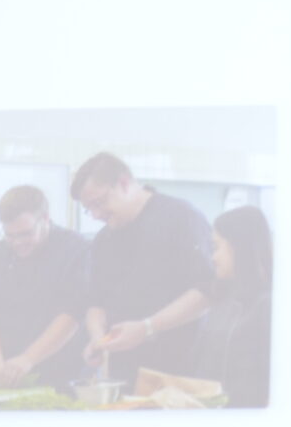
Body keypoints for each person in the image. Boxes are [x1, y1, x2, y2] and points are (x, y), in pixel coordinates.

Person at [71, 151, 216, 388]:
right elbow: (96, 301)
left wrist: (147, 328)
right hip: (123, 374)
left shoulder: (181, 217)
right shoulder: (103, 240)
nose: (96, 215)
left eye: (99, 203)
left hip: (180, 370)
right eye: (89, 209)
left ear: (124, 183)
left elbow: (206, 292)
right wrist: (98, 339)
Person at [0, 185, 91, 391]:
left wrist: (27, 359)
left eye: (26, 234)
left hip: (60, 373)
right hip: (5, 374)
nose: (18, 242)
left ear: (45, 218)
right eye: (10, 235)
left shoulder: (76, 249)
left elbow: (72, 314)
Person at [197, 202, 274, 408]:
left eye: (216, 247)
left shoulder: (266, 306)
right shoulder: (224, 298)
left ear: (238, 247)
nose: (213, 257)